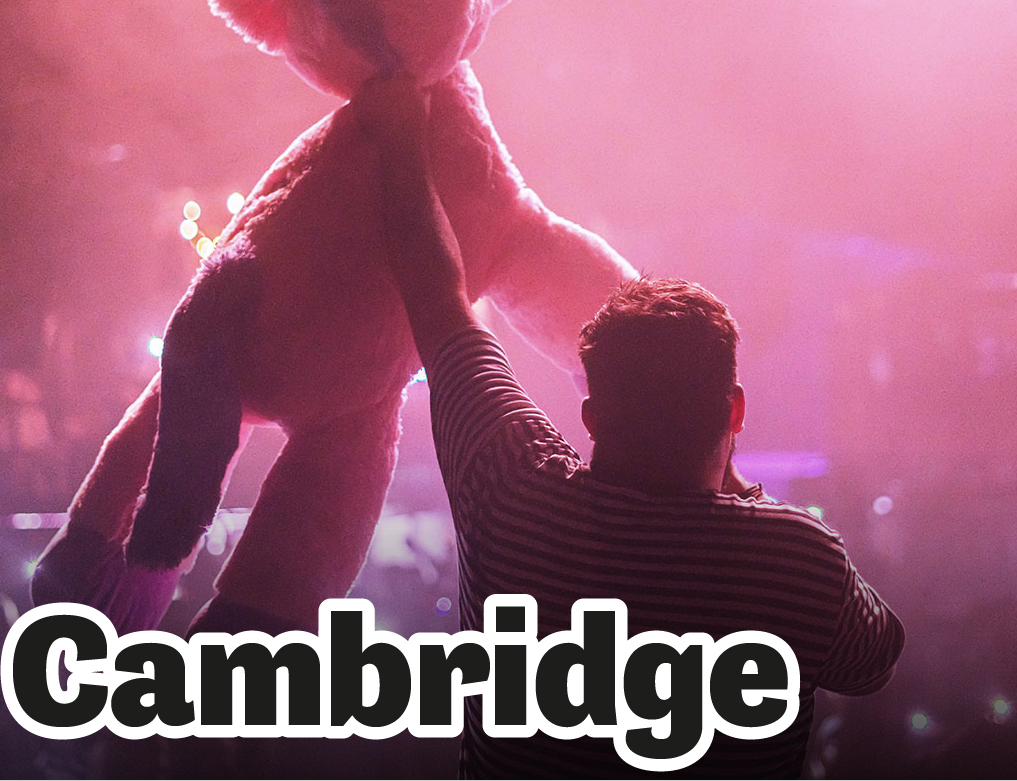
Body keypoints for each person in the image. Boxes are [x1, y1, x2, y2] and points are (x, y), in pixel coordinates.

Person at [351, 74, 904, 779]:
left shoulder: (513, 495)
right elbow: (875, 660)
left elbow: (436, 296)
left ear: (591, 414)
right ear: (734, 410)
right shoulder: (799, 561)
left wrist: (400, 130)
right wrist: (735, 483)